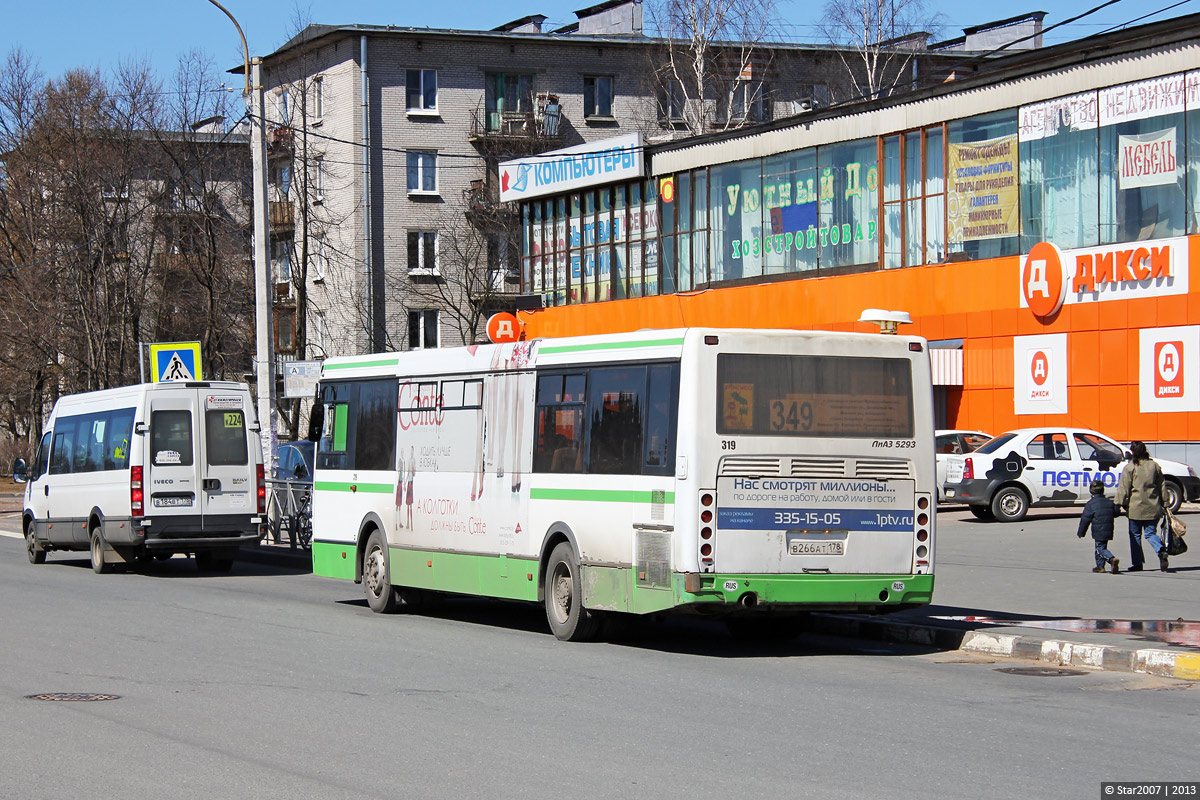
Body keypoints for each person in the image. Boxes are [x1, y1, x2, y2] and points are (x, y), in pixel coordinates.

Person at [1114, 440, 1168, 572]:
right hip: (1153, 506)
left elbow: (1124, 488)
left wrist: (1118, 503)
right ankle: (1160, 550)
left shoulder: (1130, 467)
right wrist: (1165, 503)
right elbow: (1162, 486)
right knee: (1150, 533)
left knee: (1135, 535)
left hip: (1135, 508)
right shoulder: (1154, 466)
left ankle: (1138, 563)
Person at [1077, 479, 1119, 573]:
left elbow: (1085, 520)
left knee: (1100, 548)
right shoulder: (1109, 502)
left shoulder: (1091, 504)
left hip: (1098, 530)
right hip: (1109, 528)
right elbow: (1116, 513)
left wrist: (1081, 532)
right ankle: (1100, 566)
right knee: (1101, 546)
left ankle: (1111, 559)